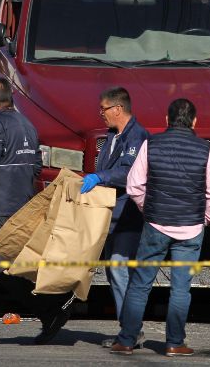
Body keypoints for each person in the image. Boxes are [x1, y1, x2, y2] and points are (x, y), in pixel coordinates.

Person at [0, 77, 73, 345]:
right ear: (11, 98)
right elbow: (35, 167)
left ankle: (52, 308)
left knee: (0, 267)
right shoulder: (28, 126)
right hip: (20, 204)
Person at [111, 98, 210, 357]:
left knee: (140, 284)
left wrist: (147, 210)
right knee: (181, 288)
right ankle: (174, 343)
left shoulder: (151, 144)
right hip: (191, 228)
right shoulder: (205, 149)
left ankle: (126, 340)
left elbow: (134, 186)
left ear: (166, 120)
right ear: (195, 121)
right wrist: (202, 218)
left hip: (155, 225)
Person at [80, 87, 149, 348]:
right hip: (109, 214)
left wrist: (101, 177)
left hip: (128, 215)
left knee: (119, 271)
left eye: (103, 109)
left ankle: (131, 332)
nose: (101, 115)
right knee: (113, 271)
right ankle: (129, 329)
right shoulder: (112, 136)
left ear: (117, 109)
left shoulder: (137, 136)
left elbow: (128, 171)